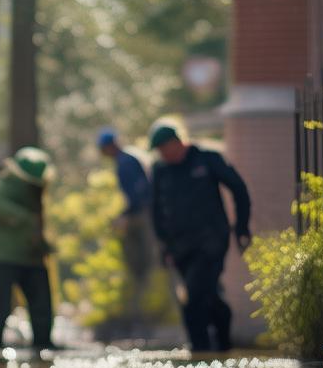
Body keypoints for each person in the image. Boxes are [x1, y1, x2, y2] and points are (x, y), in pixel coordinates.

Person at [149, 124, 251, 353]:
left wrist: (241, 226)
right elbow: (155, 210)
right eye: (159, 151)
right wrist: (163, 245)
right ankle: (223, 343)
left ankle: (199, 350)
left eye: (165, 148)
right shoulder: (160, 170)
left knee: (194, 297)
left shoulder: (207, 159)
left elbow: (238, 188)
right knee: (207, 295)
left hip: (211, 242)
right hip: (180, 247)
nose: (163, 154)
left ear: (177, 142)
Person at [0, 146, 55, 353]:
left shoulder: (36, 189)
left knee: (41, 304)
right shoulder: (4, 183)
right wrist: (24, 219)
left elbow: (38, 222)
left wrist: (43, 245)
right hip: (0, 257)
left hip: (31, 256)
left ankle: (43, 344)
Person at [97, 128, 154, 336]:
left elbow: (139, 193)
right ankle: (139, 308)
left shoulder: (126, 162)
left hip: (143, 215)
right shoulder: (128, 158)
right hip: (139, 213)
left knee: (146, 262)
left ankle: (145, 309)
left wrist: (127, 216)